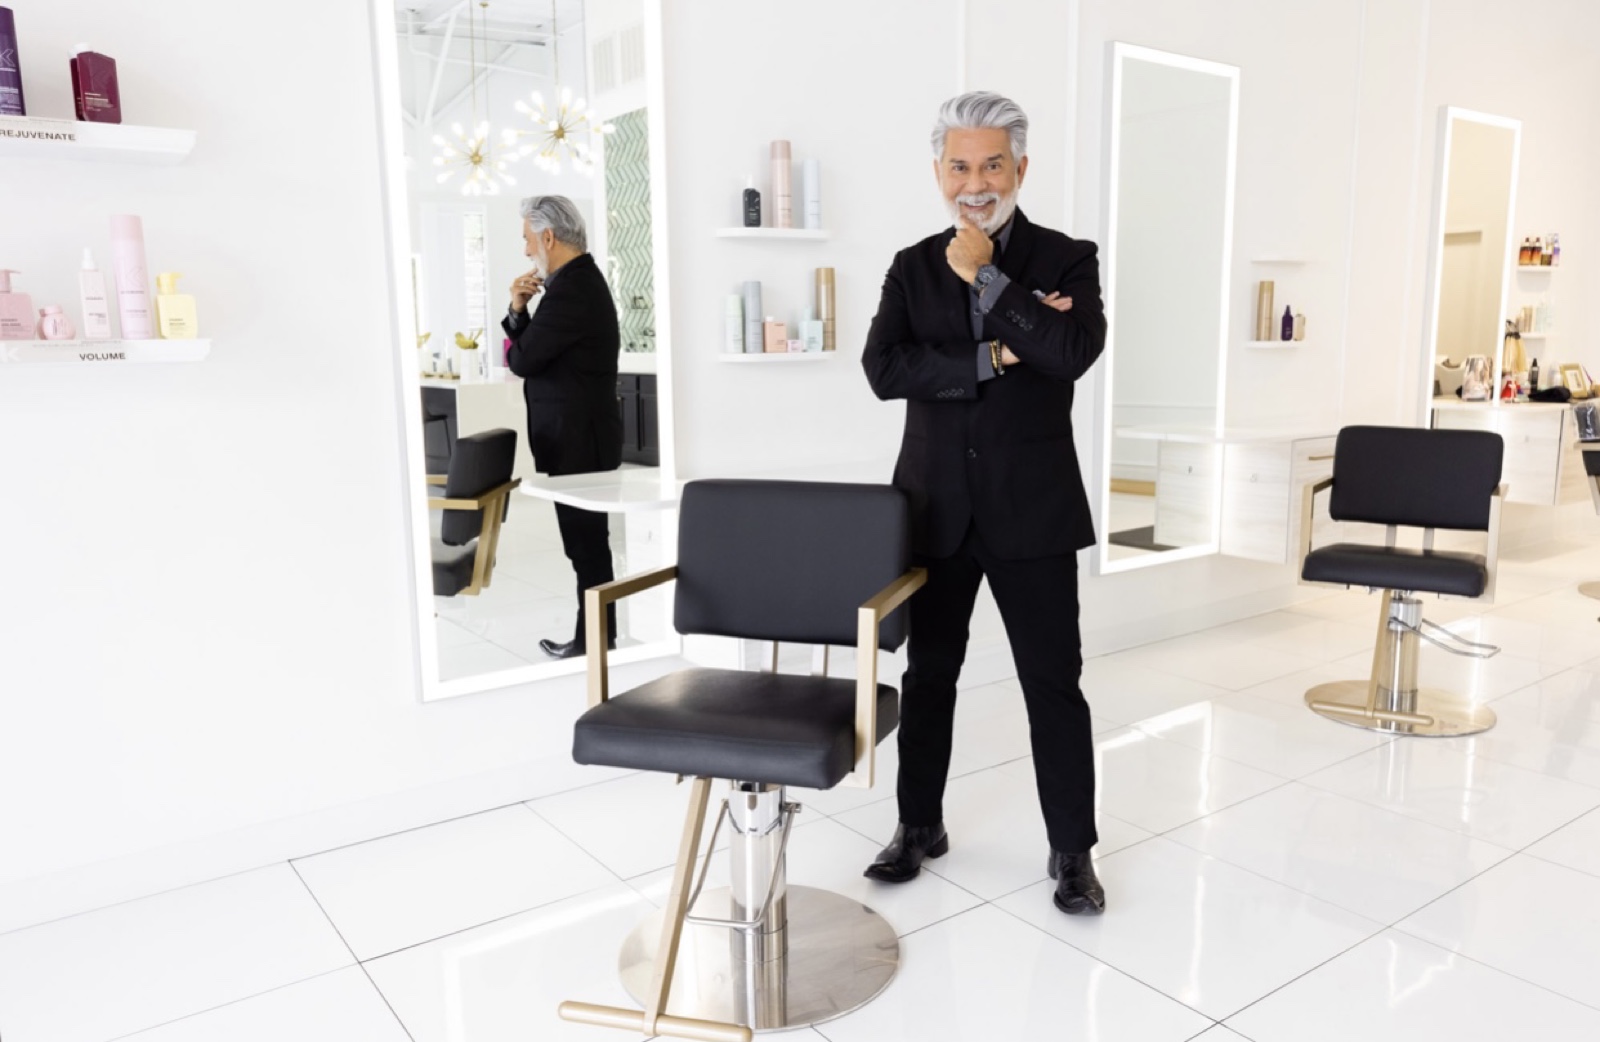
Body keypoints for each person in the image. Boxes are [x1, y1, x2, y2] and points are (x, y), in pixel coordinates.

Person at [860, 92, 1109, 914]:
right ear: (939, 173)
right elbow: (885, 371)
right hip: (934, 510)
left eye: (992, 164)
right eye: (960, 166)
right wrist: (1005, 347)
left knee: (1053, 683)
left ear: (1021, 169)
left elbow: (1071, 353)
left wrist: (990, 280)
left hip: (1032, 510)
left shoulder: (1068, 259)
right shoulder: (907, 265)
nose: (976, 182)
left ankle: (1072, 852)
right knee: (929, 676)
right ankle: (917, 825)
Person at [503, 195, 623, 659]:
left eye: (527, 240)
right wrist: (519, 312)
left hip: (579, 443)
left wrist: (518, 316)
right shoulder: (575, 284)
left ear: (548, 237)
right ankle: (597, 638)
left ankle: (594, 642)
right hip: (580, 440)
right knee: (588, 547)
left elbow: (522, 358)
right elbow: (531, 353)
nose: (525, 250)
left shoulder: (572, 290)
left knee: (586, 548)